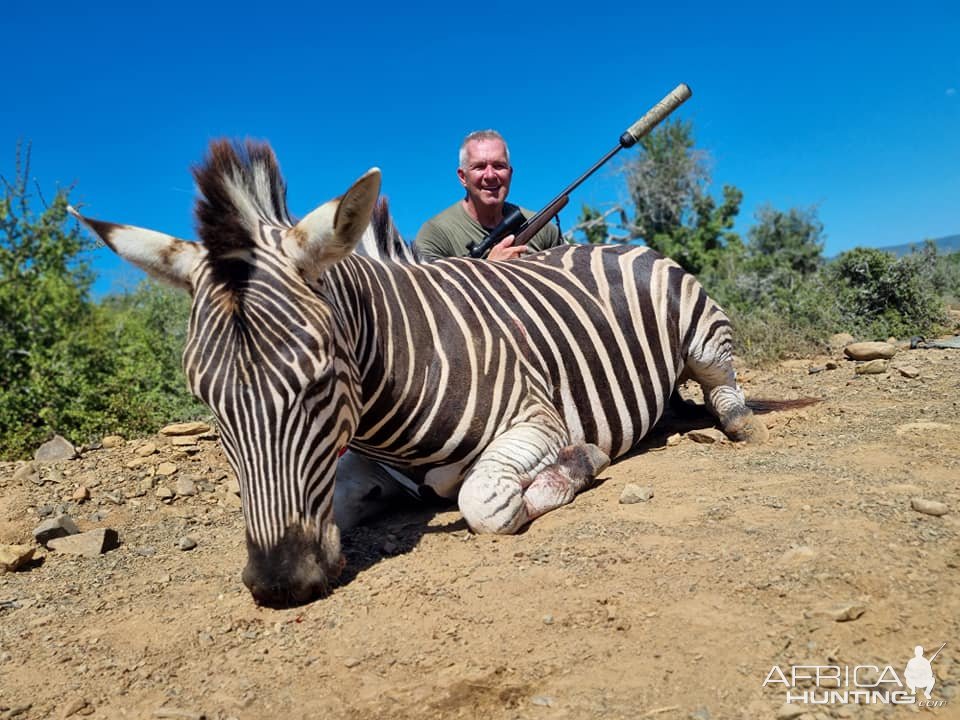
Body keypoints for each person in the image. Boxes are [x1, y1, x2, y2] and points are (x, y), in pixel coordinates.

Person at [414, 130, 566, 261]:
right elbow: (428, 293)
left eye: (499, 166)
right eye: (479, 167)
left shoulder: (543, 230)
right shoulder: (435, 235)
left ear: (510, 174)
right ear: (462, 177)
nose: (490, 175)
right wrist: (490, 269)